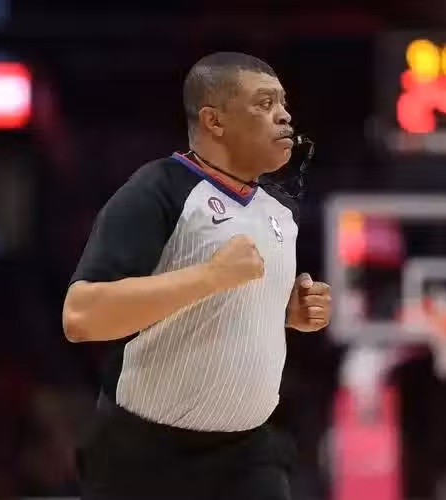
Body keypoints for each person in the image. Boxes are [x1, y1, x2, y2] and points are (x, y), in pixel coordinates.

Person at [62, 52, 332, 500]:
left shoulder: (281, 210)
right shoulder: (158, 188)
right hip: (146, 457)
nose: (284, 115)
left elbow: (226, 309)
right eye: (265, 103)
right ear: (214, 121)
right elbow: (81, 317)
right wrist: (209, 277)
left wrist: (284, 312)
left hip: (248, 455)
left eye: (284, 103)